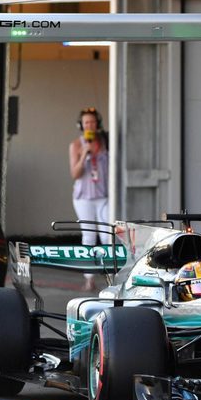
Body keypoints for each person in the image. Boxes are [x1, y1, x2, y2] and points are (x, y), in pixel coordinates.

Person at [69, 107, 109, 291]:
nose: (90, 125)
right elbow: (75, 174)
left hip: (104, 195)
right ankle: (89, 277)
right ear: (81, 125)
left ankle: (110, 273)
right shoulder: (76, 145)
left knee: (108, 234)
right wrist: (84, 153)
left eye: (92, 122)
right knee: (89, 236)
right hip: (84, 196)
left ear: (98, 124)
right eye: (86, 123)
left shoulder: (105, 141)